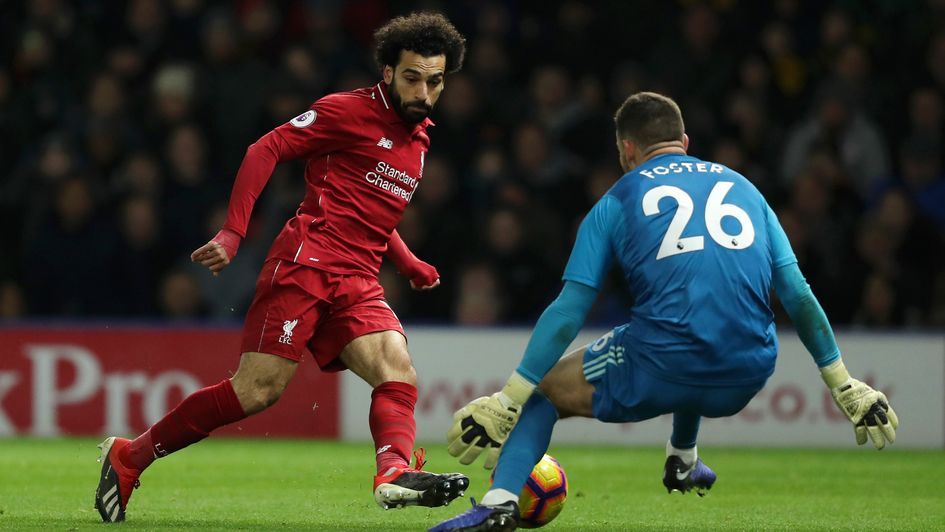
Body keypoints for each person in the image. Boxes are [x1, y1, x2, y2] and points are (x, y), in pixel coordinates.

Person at [431, 92, 899, 532]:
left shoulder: (617, 199)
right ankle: (683, 458)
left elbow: (570, 309)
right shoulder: (746, 189)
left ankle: (499, 504)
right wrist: (842, 382)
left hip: (662, 365)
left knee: (545, 393)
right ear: (685, 144)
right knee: (687, 321)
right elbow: (797, 295)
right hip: (748, 372)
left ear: (626, 149)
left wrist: (509, 397)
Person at [94, 12, 470, 523]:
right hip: (306, 263)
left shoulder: (419, 136)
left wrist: (407, 262)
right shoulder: (347, 111)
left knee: (397, 370)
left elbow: (372, 209)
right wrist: (233, 231)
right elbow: (265, 147)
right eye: (412, 77)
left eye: (435, 80)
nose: (423, 91)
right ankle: (129, 456)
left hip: (357, 277)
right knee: (258, 391)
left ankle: (392, 473)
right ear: (387, 73)